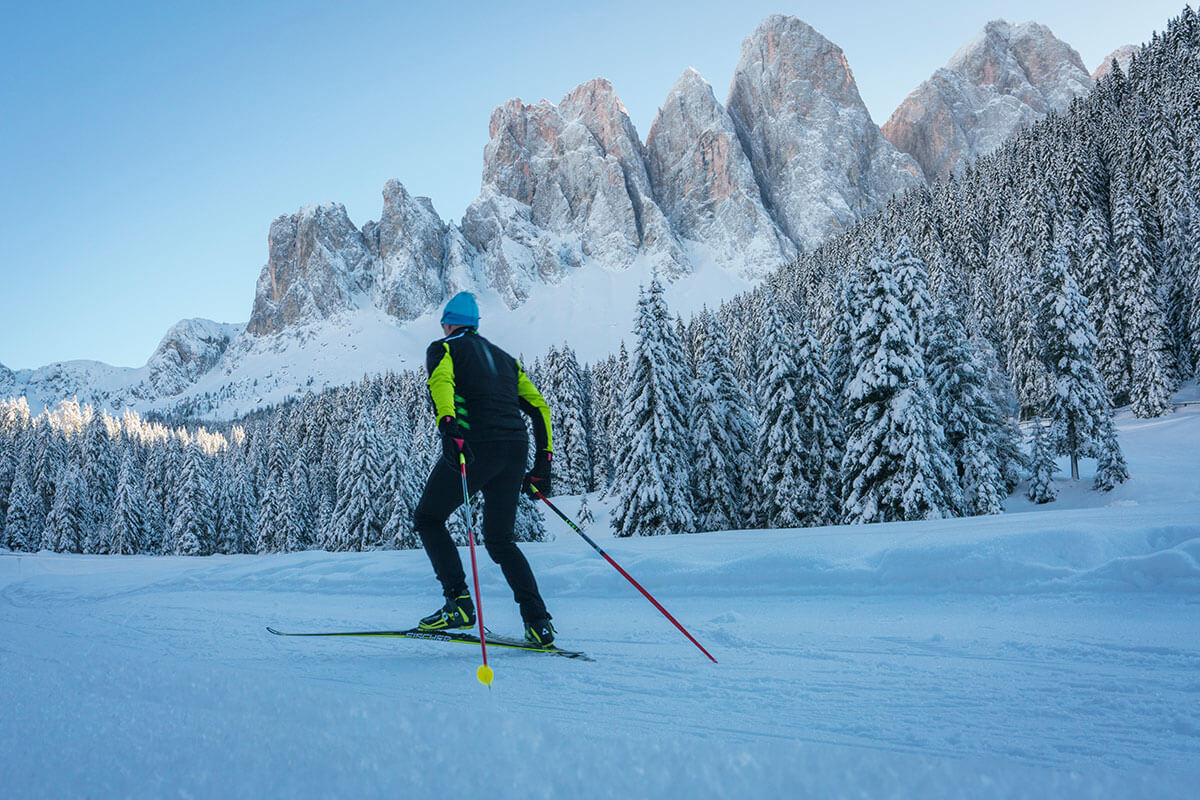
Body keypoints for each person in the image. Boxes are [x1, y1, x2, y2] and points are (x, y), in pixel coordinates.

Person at [412, 291, 556, 645]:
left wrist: (449, 427)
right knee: (501, 540)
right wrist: (543, 463)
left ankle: (458, 603)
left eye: (444, 325)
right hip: (515, 449)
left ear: (449, 324)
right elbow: (539, 407)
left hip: (475, 446)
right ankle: (538, 623)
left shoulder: (444, 349)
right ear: (475, 325)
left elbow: (441, 383)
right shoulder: (506, 359)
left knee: (428, 518)